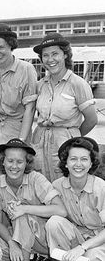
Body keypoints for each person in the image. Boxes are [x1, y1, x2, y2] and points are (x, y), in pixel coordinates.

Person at [0, 138, 67, 261]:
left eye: (20, 162)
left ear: (27, 163)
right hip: (22, 237)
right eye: (10, 161)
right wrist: (11, 243)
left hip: (47, 239)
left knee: (20, 211)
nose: (14, 166)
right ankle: (28, 258)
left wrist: (26, 208)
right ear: (2, 162)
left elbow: (61, 210)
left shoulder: (36, 178)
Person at [0, 23, 38, 202]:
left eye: (1, 47)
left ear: (11, 45)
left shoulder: (26, 69)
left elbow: (30, 108)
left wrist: (20, 141)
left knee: (11, 176)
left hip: (16, 129)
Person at [31, 33, 97, 182]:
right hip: (40, 141)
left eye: (55, 54)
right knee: (41, 184)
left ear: (65, 55)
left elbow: (92, 120)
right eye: (45, 55)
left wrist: (71, 136)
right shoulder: (40, 85)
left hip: (64, 142)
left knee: (65, 183)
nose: (50, 59)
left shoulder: (77, 84)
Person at [45, 137, 105, 261]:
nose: (78, 164)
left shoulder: (101, 187)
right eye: (73, 159)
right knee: (54, 222)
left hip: (100, 238)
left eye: (84, 159)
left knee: (92, 257)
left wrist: (82, 248)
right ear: (65, 163)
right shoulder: (57, 185)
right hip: (77, 234)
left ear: (91, 163)